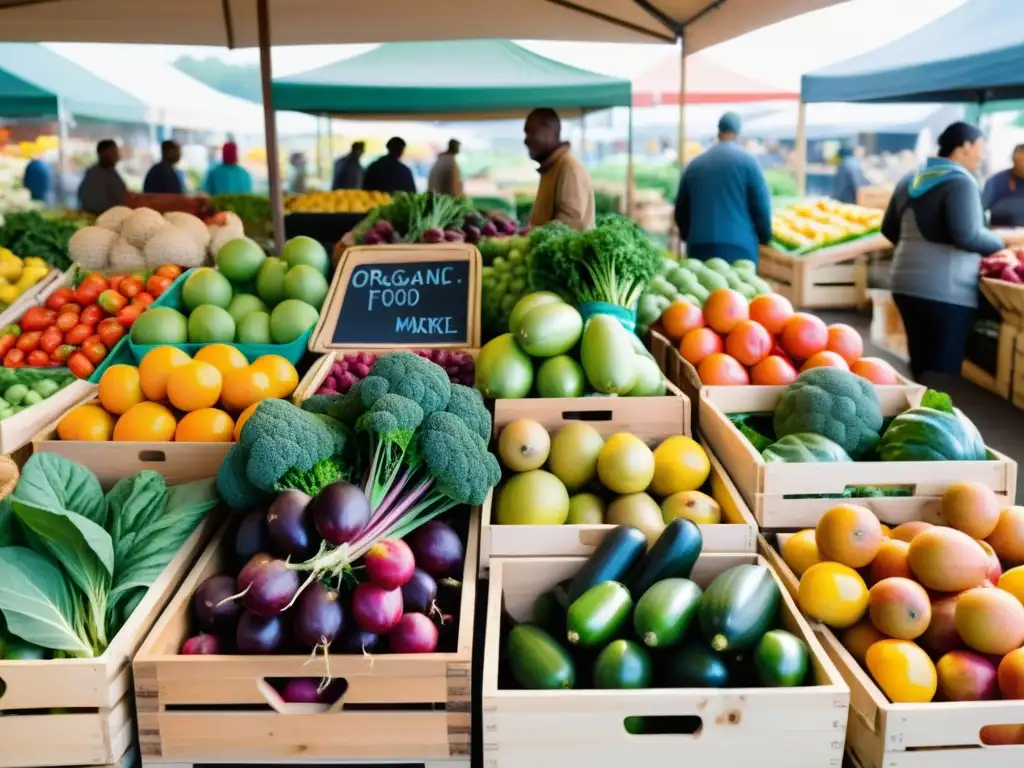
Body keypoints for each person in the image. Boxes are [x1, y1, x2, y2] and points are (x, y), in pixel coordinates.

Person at [882, 122, 1009, 382]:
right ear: (963, 147)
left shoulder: (910, 178)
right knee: (941, 369)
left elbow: (888, 228)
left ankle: (914, 413)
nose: (981, 155)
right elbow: (968, 235)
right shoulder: (960, 181)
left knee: (920, 363)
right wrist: (1002, 244)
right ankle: (930, 418)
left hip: (903, 284)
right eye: (980, 148)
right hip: (946, 290)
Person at [673, 112, 772, 265]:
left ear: (718, 131)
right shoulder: (748, 162)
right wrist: (765, 237)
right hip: (738, 246)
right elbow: (760, 206)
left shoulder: (695, 165)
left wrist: (688, 235)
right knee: (739, 289)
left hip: (699, 245)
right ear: (737, 133)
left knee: (700, 288)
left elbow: (681, 209)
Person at [524, 108, 595, 231]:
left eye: (531, 133)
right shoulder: (552, 167)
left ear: (548, 133)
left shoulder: (569, 168)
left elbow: (570, 222)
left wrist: (533, 237)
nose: (526, 141)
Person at [78, 139, 127, 215]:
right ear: (101, 153)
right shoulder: (94, 175)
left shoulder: (112, 172)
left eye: (116, 153)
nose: (116, 156)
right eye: (112, 153)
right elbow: (93, 204)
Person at [983, 145, 1024, 227]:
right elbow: (979, 210)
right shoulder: (996, 182)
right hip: (1002, 234)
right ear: (1013, 160)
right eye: (1019, 161)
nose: (1022, 164)